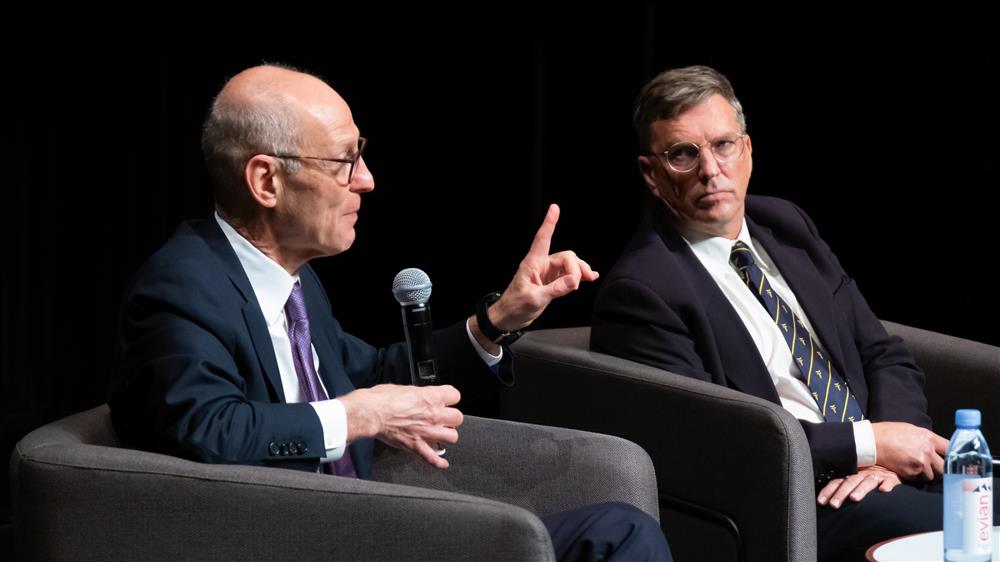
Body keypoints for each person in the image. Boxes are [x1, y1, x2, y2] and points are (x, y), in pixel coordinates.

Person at [110, 64, 671, 562]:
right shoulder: (181, 288)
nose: (367, 180)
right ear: (266, 181)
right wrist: (357, 416)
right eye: (344, 161)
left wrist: (497, 318)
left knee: (618, 532)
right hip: (302, 541)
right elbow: (205, 429)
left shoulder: (293, 278)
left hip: (374, 527)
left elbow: (373, 375)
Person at [590, 65, 997, 561]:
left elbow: (883, 352)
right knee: (978, 533)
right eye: (683, 154)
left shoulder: (785, 225)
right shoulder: (642, 290)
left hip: (884, 473)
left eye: (723, 145)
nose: (710, 170)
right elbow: (721, 442)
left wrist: (892, 453)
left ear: (748, 150)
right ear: (651, 174)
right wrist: (867, 445)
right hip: (801, 497)